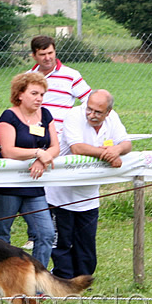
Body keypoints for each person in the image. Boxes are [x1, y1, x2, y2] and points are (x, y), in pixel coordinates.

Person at [45, 89, 132, 279]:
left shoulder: (113, 119)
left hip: (89, 196)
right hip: (61, 195)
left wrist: (116, 150)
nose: (91, 115)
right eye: (89, 109)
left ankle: (83, 279)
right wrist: (107, 155)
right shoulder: (74, 115)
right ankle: (63, 279)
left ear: (108, 112)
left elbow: (127, 143)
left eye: (98, 112)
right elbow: (77, 148)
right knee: (62, 243)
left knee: (86, 246)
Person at [25, 35, 92, 250]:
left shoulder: (71, 75)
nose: (47, 58)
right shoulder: (28, 77)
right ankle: (36, 234)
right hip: (34, 140)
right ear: (34, 55)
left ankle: (58, 233)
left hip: (62, 143)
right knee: (36, 187)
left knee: (57, 188)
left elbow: (89, 101)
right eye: (42, 54)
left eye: (50, 53)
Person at [0, 72, 58, 267]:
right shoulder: (9, 117)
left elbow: (55, 147)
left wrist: (43, 159)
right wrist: (36, 153)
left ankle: (38, 281)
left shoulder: (45, 115)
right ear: (20, 94)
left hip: (33, 185)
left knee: (46, 233)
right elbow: (9, 150)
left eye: (42, 94)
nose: (39, 98)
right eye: (34, 93)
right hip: (7, 185)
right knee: (2, 235)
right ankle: (1, 278)